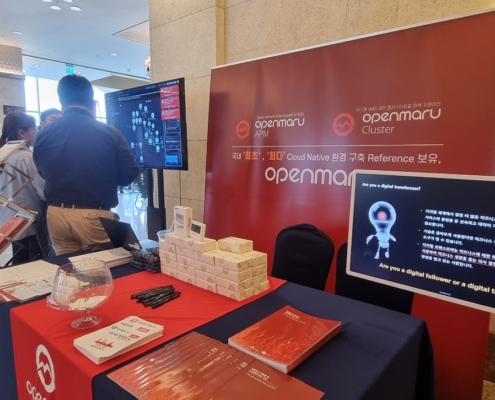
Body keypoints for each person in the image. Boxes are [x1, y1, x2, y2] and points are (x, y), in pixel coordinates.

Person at [33, 74, 139, 255]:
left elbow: (43, 172)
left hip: (56, 214)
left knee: (70, 267)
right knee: (110, 264)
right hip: (93, 215)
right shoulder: (109, 132)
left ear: (61, 101)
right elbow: (129, 174)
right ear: (92, 102)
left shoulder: (43, 134)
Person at [0, 112, 45, 264]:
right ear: (22, 133)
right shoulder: (26, 157)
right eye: (34, 129)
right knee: (35, 259)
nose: (36, 133)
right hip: (29, 217)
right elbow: (42, 188)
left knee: (19, 257)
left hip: (10, 217)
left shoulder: (6, 154)